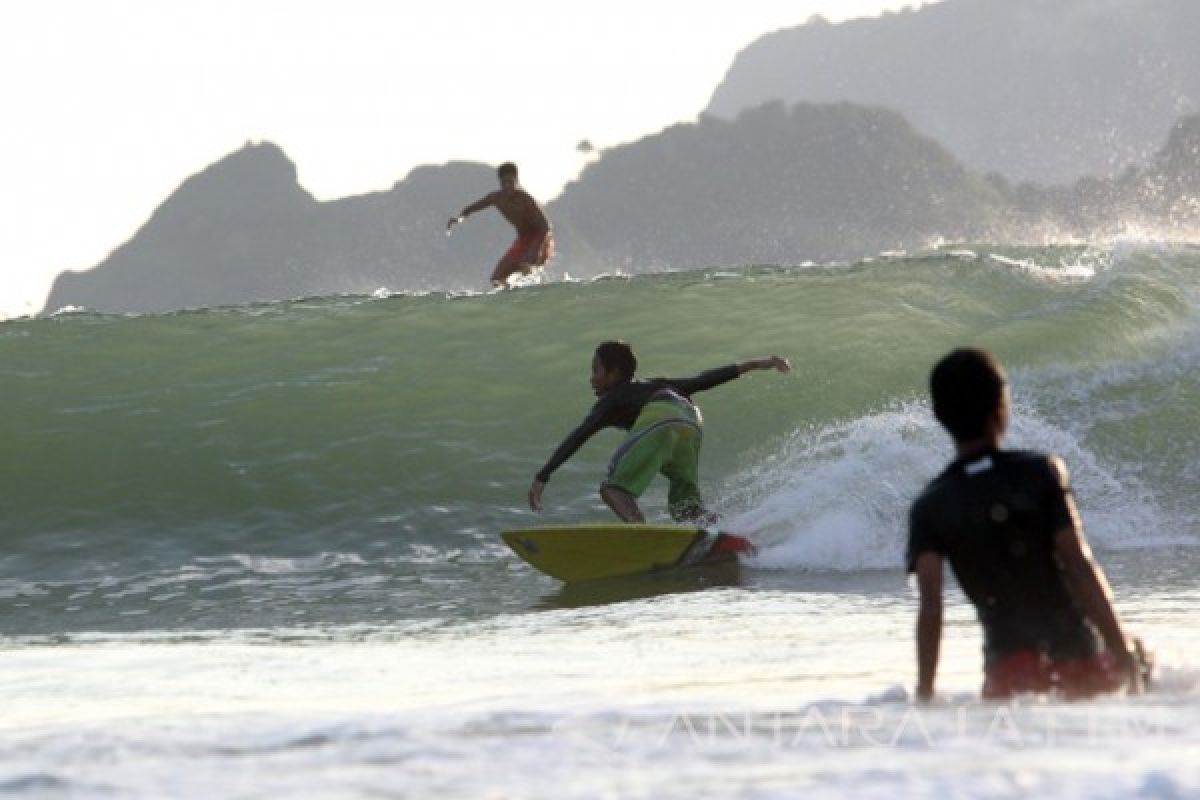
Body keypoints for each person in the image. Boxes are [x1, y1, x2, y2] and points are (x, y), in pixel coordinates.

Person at [908, 348, 1147, 702]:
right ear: (1001, 408)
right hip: (1079, 657)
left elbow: (931, 608)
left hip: (1008, 674)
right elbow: (1078, 565)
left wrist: (924, 694)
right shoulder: (1040, 473)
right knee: (1142, 660)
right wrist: (1124, 654)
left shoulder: (930, 505)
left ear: (938, 415)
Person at [527, 340, 791, 524]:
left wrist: (543, 476)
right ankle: (723, 532)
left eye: (596, 370)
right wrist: (759, 363)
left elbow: (579, 435)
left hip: (661, 418)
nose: (591, 378)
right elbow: (705, 379)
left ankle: (640, 534)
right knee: (685, 509)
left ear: (614, 373)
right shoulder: (657, 383)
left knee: (614, 489)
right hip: (691, 423)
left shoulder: (612, 398)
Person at [447, 162, 554, 288]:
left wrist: (535, 251)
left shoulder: (525, 199)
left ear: (517, 181)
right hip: (523, 240)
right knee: (496, 279)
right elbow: (470, 209)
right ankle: (513, 297)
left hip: (540, 238)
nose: (508, 186)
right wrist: (459, 219)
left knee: (526, 265)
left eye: (511, 182)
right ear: (500, 183)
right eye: (504, 183)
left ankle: (534, 291)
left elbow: (545, 227)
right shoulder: (496, 198)